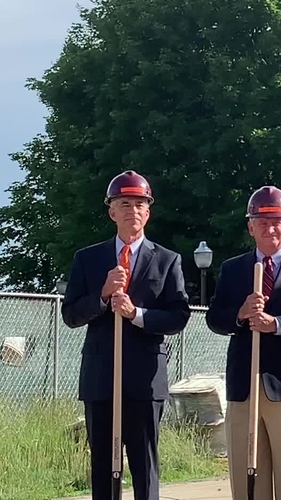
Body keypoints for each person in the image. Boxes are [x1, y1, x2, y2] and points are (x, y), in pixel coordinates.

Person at [60, 170, 190, 500]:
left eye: (139, 204)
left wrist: (136, 314)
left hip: (144, 380)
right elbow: (71, 314)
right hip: (101, 378)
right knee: (103, 463)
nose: (132, 210)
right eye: (124, 203)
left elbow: (178, 316)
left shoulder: (167, 260)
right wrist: (102, 296)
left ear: (148, 211)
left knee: (145, 465)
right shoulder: (88, 259)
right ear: (112, 211)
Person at [206, 186, 281, 500]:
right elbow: (214, 318)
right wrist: (240, 313)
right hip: (245, 387)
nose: (269, 228)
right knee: (248, 481)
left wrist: (276, 324)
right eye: (261, 221)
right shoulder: (233, 269)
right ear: (250, 226)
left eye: (277, 221)